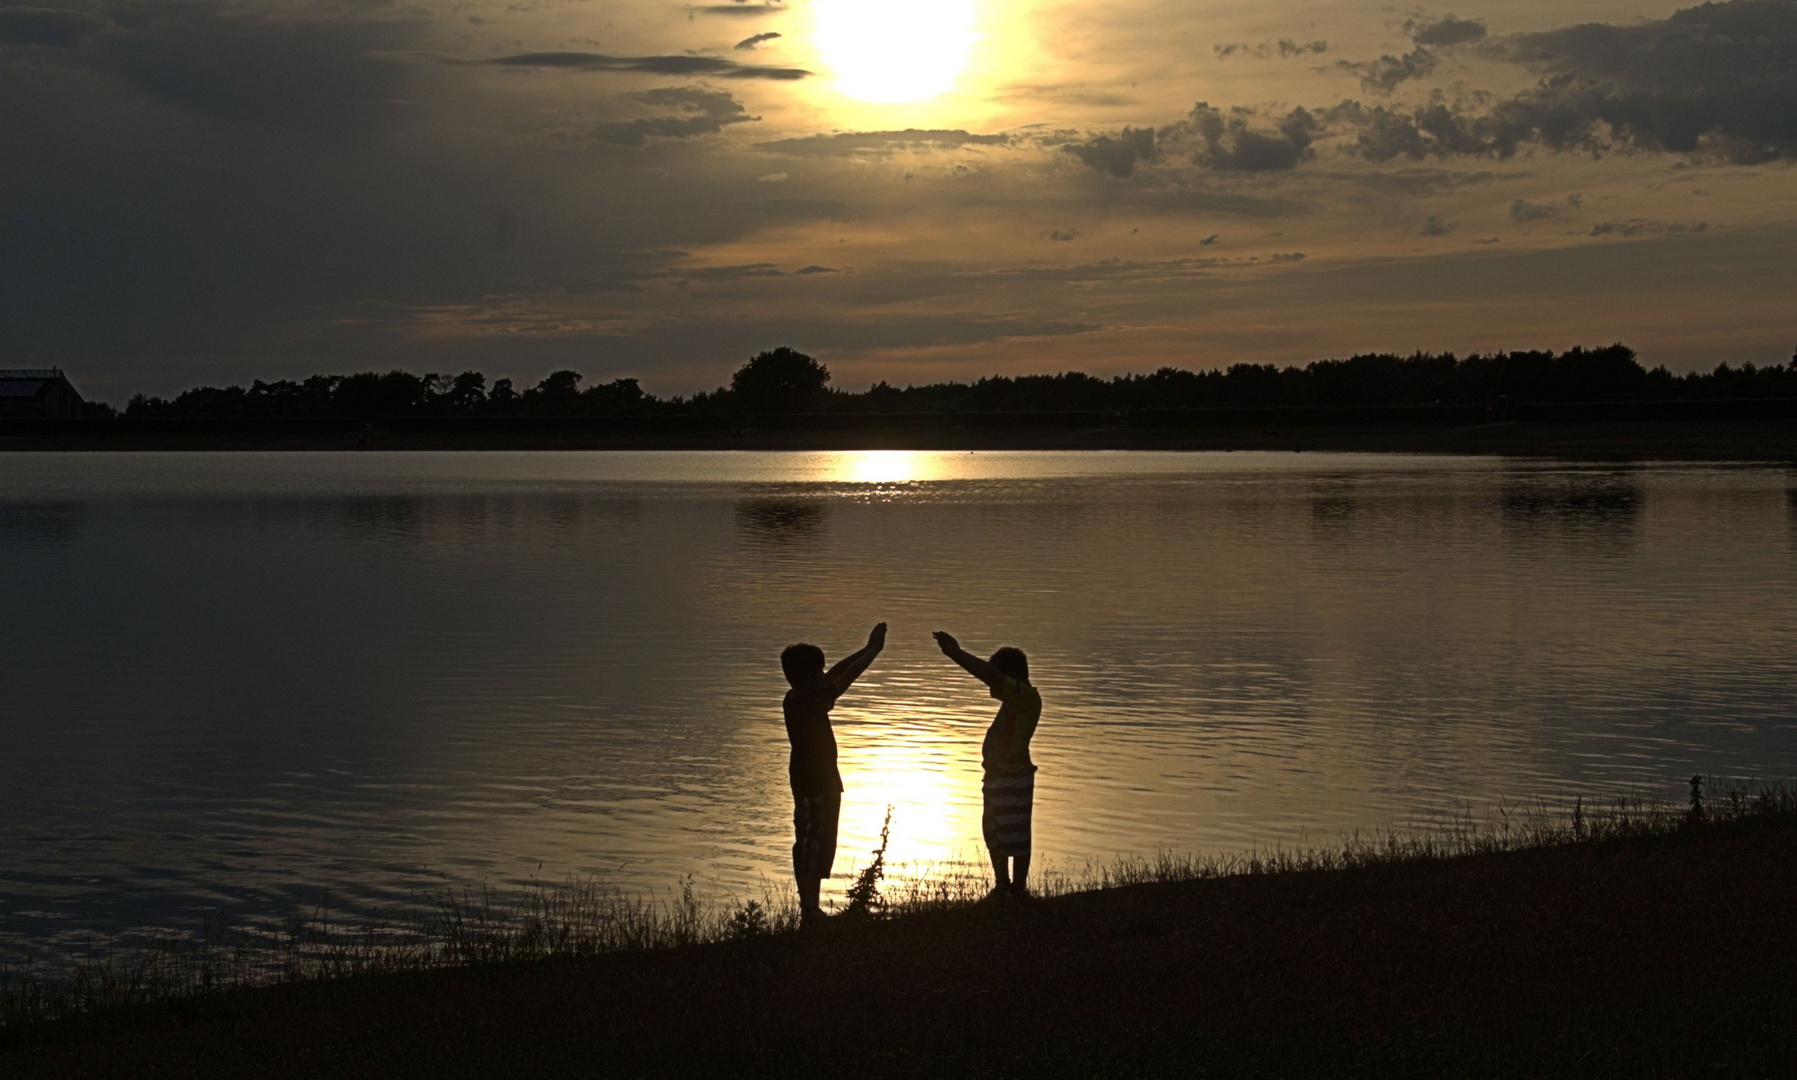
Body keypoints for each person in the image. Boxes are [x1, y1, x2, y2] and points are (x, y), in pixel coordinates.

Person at [781, 622, 886, 924]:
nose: (824, 676)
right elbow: (845, 679)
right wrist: (874, 651)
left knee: (806, 841)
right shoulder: (811, 701)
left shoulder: (793, 699)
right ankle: (811, 912)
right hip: (819, 784)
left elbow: (835, 675)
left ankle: (808, 910)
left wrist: (865, 649)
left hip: (804, 783)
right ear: (810, 676)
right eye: (819, 672)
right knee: (816, 845)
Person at [932, 630, 1041, 897]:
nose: (991, 688)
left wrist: (956, 654)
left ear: (1010, 676)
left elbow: (989, 676)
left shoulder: (1027, 698)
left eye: (998, 679)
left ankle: (1018, 890)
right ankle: (1002, 885)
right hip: (996, 777)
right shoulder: (1011, 703)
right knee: (994, 832)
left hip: (1014, 777)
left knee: (1016, 833)